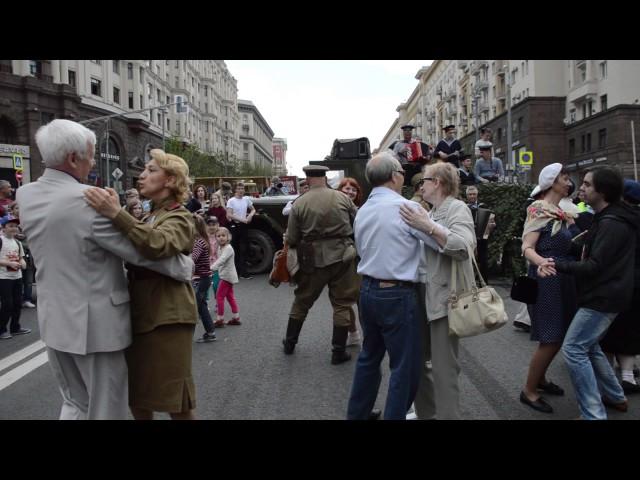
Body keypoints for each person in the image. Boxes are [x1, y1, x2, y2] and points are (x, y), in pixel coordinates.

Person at [17, 120, 192, 420]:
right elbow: (140, 253)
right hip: (95, 328)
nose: (94, 161)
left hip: (54, 322)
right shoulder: (88, 202)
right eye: (91, 154)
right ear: (73, 158)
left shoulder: (26, 195)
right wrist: (184, 267)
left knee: (74, 404)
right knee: (106, 409)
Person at [84, 147, 200, 421]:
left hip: (168, 316)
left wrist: (117, 214)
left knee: (175, 400)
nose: (142, 175)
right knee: (137, 395)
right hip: (144, 313)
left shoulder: (179, 216)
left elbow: (157, 244)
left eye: (151, 170)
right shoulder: (151, 214)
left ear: (170, 180)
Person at [543, 167, 640, 420]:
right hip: (606, 294)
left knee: (574, 349)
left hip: (603, 297)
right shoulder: (607, 216)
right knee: (590, 346)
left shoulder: (612, 222)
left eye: (587, 184)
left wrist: (555, 263)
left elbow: (595, 265)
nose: (581, 188)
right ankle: (616, 396)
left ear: (603, 192)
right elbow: (590, 252)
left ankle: (593, 414)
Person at [346, 152, 430, 420]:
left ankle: (357, 415)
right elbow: (441, 242)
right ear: (395, 176)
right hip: (397, 293)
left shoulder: (362, 211)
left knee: (369, 358)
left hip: (368, 290)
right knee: (405, 367)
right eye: (402, 172)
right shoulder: (407, 208)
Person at [399, 162, 476, 420]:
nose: (421, 185)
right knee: (417, 362)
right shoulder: (431, 210)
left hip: (445, 297)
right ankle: (426, 413)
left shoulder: (457, 208)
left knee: (444, 367)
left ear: (439, 183)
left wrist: (427, 226)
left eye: (425, 180)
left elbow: (464, 247)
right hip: (422, 292)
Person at [282, 164, 359, 365]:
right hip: (343, 256)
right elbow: (358, 222)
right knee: (342, 304)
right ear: (324, 177)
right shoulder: (342, 198)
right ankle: (338, 351)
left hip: (312, 259)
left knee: (302, 301)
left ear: (307, 179)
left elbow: (291, 237)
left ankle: (289, 343)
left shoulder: (299, 203)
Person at [519, 163, 580, 414]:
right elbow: (527, 246)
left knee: (555, 335)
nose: (570, 183)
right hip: (547, 279)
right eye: (565, 178)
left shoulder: (559, 211)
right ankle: (529, 391)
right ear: (553, 182)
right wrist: (541, 261)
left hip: (561, 277)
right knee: (551, 338)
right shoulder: (539, 209)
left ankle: (540, 380)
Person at [599, 179, 640, 394]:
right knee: (631, 329)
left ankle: (607, 382)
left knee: (609, 330)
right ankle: (628, 376)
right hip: (636, 283)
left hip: (616, 281)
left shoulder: (615, 219)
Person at [337, 177, 364, 348]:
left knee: (362, 299)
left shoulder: (362, 210)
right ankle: (353, 333)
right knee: (342, 300)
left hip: (360, 259)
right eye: (346, 189)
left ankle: (368, 334)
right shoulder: (334, 210)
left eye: (353, 189)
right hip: (341, 260)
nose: (349, 192)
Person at [0, 216, 31, 340]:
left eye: (15, 226)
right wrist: (9, 264)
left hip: (17, 277)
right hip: (3, 277)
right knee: (7, 304)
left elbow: (21, 257)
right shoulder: (1, 240)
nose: (14, 228)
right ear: (3, 228)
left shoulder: (17, 242)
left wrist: (22, 263)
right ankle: (1, 330)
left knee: (17, 303)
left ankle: (15, 327)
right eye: (10, 226)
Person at [191, 215, 217, 343]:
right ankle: (210, 332)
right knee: (201, 306)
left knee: (194, 307)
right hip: (203, 278)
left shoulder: (199, 242)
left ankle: (184, 337)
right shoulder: (201, 240)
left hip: (201, 279)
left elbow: (192, 260)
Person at [211, 227, 241, 327]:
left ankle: (220, 319)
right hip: (225, 275)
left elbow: (222, 260)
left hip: (227, 277)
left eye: (223, 235)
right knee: (230, 297)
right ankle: (236, 318)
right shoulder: (221, 247)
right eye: (218, 236)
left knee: (219, 296)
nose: (221, 238)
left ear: (228, 237)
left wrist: (211, 268)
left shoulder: (228, 248)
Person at [8, 202, 36, 309]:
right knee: (15, 277)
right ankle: (15, 299)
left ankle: (27, 299)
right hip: (13, 253)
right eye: (16, 208)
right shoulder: (9, 221)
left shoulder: (28, 222)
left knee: (28, 279)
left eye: (21, 208)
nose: (19, 210)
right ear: (12, 209)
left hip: (28, 253)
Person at [465, 186, 495, 282]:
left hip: (482, 238)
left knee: (483, 261)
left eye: (474, 194)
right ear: (467, 196)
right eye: (470, 194)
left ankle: (484, 283)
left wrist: (492, 225)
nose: (472, 196)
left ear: (477, 195)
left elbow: (492, 220)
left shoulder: (484, 206)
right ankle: (469, 282)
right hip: (468, 237)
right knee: (468, 260)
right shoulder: (464, 208)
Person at [226, 182, 256, 279]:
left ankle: (243, 272)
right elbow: (229, 214)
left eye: (242, 188)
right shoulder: (231, 201)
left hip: (244, 226)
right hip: (235, 226)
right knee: (234, 249)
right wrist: (242, 219)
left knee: (244, 249)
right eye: (239, 188)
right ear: (235, 190)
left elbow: (253, 209)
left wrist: (250, 215)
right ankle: (235, 272)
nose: (241, 190)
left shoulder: (246, 199)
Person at [205, 216, 221, 299]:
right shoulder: (203, 237)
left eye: (213, 224)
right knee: (205, 286)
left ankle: (218, 301)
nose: (211, 227)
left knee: (216, 285)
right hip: (205, 265)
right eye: (209, 225)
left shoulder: (220, 237)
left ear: (218, 225)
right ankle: (205, 303)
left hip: (217, 265)